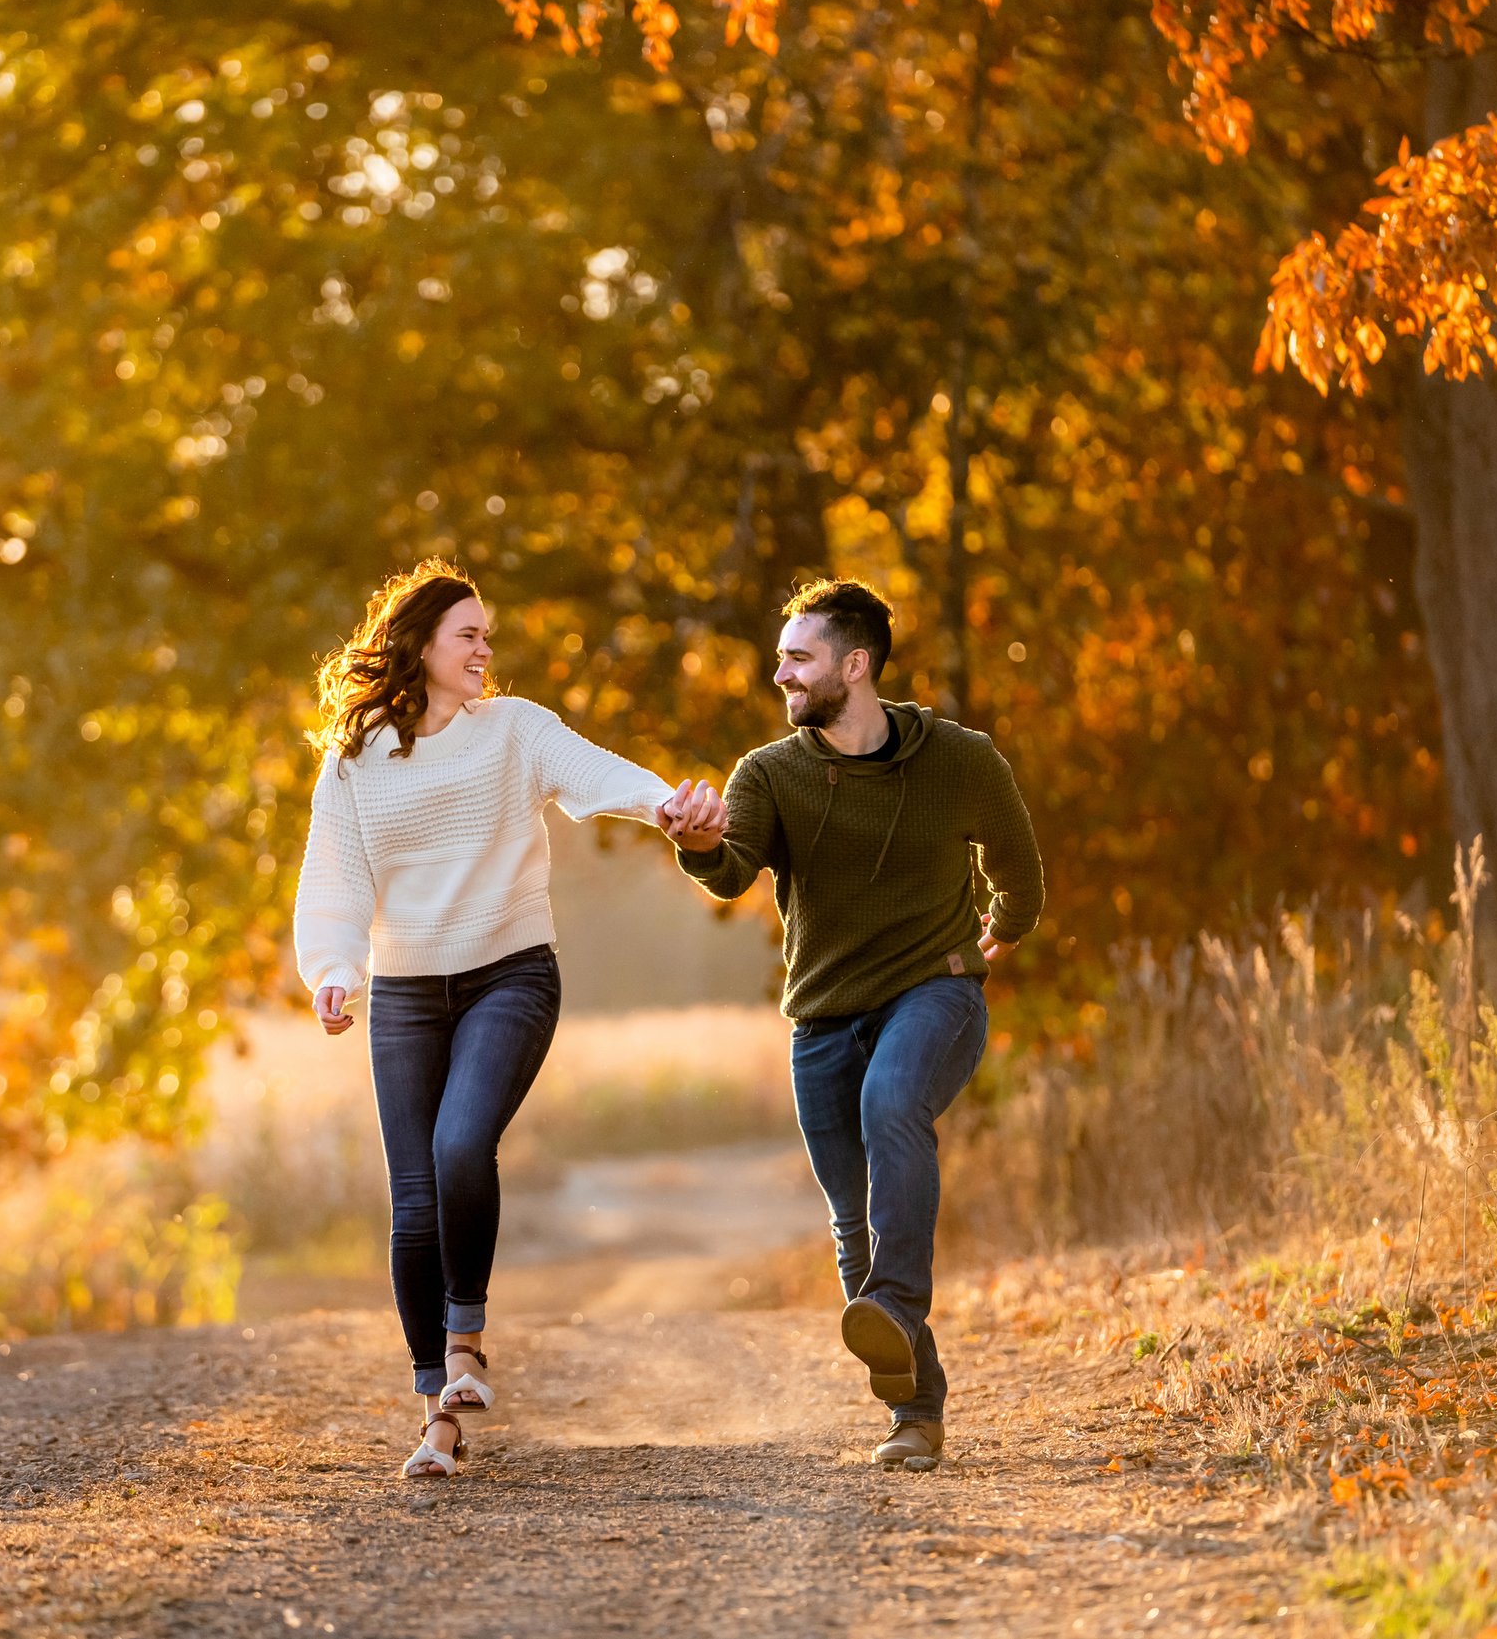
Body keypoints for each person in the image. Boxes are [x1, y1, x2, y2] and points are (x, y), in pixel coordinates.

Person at [293, 559, 724, 1479]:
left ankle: (467, 1343)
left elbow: (600, 774)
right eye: (470, 635)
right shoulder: (357, 757)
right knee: (413, 1204)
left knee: (459, 1147)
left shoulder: (517, 732)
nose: (488, 649)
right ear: (421, 646)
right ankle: (437, 1418)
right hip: (407, 990)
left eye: (489, 634)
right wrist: (333, 968)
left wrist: (668, 806)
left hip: (509, 977)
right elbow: (334, 877)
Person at [669, 578, 1043, 1471]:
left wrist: (1008, 924)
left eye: (798, 658)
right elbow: (733, 870)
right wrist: (697, 845)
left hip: (936, 991)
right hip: (823, 1019)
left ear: (856, 664)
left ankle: (899, 1306)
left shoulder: (960, 757)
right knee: (851, 1224)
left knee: (892, 1102)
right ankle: (916, 1412)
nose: (781, 674)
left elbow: (1017, 862)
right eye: (782, 659)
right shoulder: (769, 772)